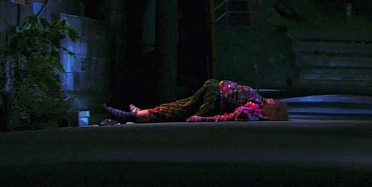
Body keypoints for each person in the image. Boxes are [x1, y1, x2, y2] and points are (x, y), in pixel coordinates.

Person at [104, 79, 289, 123]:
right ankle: (139, 114)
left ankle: (134, 116)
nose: (272, 99)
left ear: (273, 109)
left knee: (180, 108)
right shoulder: (258, 101)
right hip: (214, 93)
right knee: (179, 106)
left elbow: (232, 116)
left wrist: (202, 118)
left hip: (215, 98)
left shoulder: (255, 108)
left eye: (274, 101)